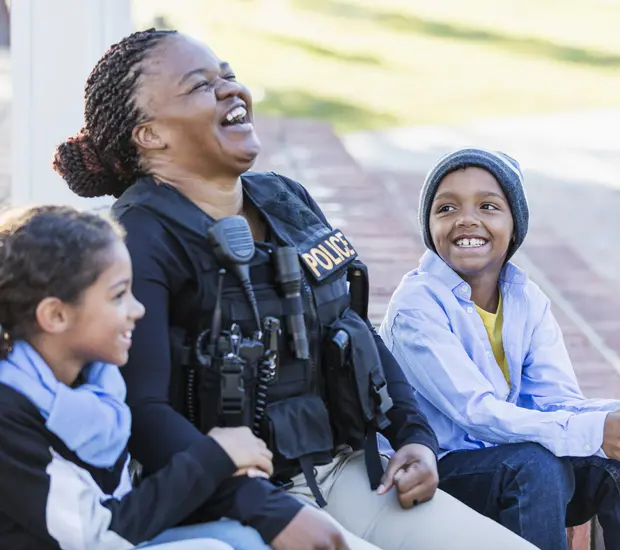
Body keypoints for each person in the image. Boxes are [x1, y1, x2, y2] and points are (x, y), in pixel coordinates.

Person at [52, 29, 537, 550]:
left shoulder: (285, 198)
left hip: (350, 473)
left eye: (229, 76)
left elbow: (353, 329)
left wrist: (414, 438)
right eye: (200, 86)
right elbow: (143, 412)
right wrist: (270, 512)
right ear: (150, 135)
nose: (231, 91)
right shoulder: (138, 238)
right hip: (232, 499)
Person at [378, 147, 620, 550]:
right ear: (430, 226)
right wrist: (594, 429)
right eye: (446, 209)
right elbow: (474, 412)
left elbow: (554, 400)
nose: (466, 219)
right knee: (535, 466)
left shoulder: (526, 299)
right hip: (435, 474)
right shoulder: (416, 307)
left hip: (509, 469)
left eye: (488, 206)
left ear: (514, 226)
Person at [0, 205, 275, 550]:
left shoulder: (96, 380)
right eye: (118, 296)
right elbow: (96, 535)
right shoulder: (9, 411)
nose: (138, 309)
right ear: (55, 315)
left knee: (245, 538)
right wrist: (213, 458)